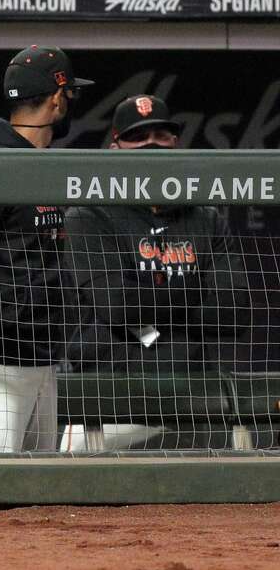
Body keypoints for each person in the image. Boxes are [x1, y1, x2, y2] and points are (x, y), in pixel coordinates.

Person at [60, 94, 249, 451]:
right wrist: (193, 294)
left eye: (161, 135)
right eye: (137, 136)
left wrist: (149, 300)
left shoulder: (204, 217)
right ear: (114, 147)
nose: (151, 144)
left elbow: (236, 310)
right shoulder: (90, 215)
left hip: (190, 390)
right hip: (107, 394)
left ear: (176, 144)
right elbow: (116, 305)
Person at [0, 45, 94, 454]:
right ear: (57, 98)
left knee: (39, 499)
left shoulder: (41, 162)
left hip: (42, 359)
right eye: (69, 93)